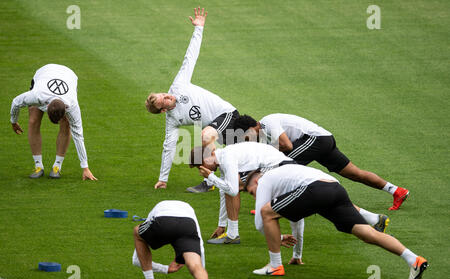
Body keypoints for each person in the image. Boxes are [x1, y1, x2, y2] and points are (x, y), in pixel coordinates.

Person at [243, 164, 428, 279]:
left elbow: (261, 220)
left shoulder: (265, 180)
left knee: (266, 212)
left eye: (252, 192)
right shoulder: (284, 179)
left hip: (316, 189)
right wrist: (296, 254)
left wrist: (279, 237)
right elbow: (296, 217)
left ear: (257, 181)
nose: (254, 196)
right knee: (367, 234)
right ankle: (414, 259)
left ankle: (275, 266)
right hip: (336, 189)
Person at [146, 7, 240, 193]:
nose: (167, 96)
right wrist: (162, 179)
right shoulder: (172, 119)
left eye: (163, 94)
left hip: (228, 115)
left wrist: (199, 28)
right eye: (163, 101)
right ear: (163, 110)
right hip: (215, 127)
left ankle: (211, 181)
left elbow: (190, 58)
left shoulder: (179, 85)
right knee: (239, 157)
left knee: (205, 137)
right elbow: (169, 147)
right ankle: (217, 181)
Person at [234, 113, 409, 210]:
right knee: (355, 173)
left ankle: (269, 204)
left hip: (315, 139)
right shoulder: (262, 134)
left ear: (251, 128)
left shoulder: (267, 122)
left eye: (247, 137)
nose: (249, 141)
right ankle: (396, 190)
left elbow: (286, 145)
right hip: (323, 139)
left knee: (282, 167)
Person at [189, 142, 302, 253]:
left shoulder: (227, 157)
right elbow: (224, 190)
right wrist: (221, 225)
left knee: (234, 185)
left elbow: (232, 190)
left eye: (201, 164)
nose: (202, 169)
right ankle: (232, 234)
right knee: (231, 185)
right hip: (277, 165)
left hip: (281, 166)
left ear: (210, 155)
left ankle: (233, 234)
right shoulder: (223, 158)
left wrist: (210, 176)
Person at [9, 63, 97, 180]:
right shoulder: (37, 95)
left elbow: (78, 135)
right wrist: (14, 122)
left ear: (66, 109)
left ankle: (57, 167)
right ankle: (38, 166)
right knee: (33, 120)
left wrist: (85, 168)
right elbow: (16, 102)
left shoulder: (72, 105)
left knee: (67, 124)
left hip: (68, 75)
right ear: (46, 106)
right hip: (44, 73)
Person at [133, 200, 212, 279]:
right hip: (187, 225)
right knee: (195, 263)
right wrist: (198, 278)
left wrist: (165, 269)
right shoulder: (189, 210)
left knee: (137, 232)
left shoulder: (155, 210)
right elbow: (200, 246)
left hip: (164, 222)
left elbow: (136, 260)